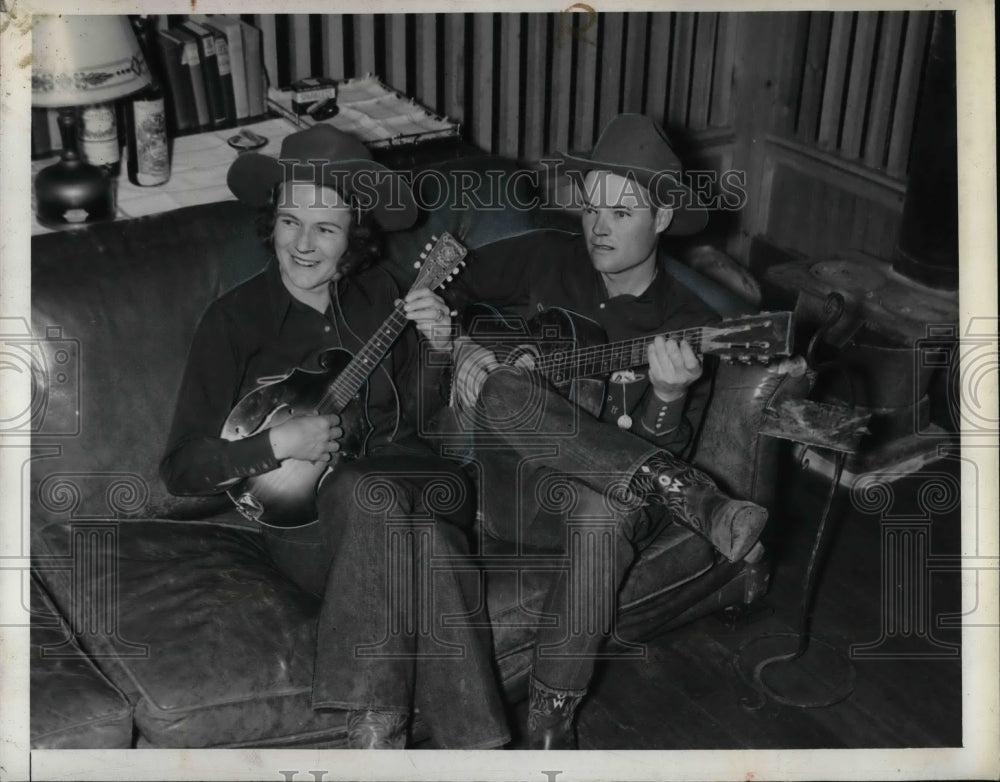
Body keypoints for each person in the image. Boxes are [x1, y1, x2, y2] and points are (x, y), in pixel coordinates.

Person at [160, 125, 509, 750]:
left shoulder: (386, 298)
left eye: (326, 228)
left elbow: (423, 425)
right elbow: (181, 469)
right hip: (310, 531)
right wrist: (275, 445)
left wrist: (437, 349)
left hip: (419, 482)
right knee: (430, 550)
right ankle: (474, 751)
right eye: (291, 221)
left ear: (354, 238)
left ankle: (374, 731)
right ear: (272, 222)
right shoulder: (233, 321)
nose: (303, 243)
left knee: (366, 485)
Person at [445, 114, 769, 749]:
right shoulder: (543, 255)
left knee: (606, 506)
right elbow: (443, 287)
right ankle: (689, 493)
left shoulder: (689, 323)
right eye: (592, 206)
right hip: (510, 490)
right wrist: (461, 348)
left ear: (664, 219)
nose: (598, 225)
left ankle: (550, 723)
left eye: (621, 213)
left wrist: (670, 397)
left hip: (600, 506)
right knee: (507, 385)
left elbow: (660, 439)